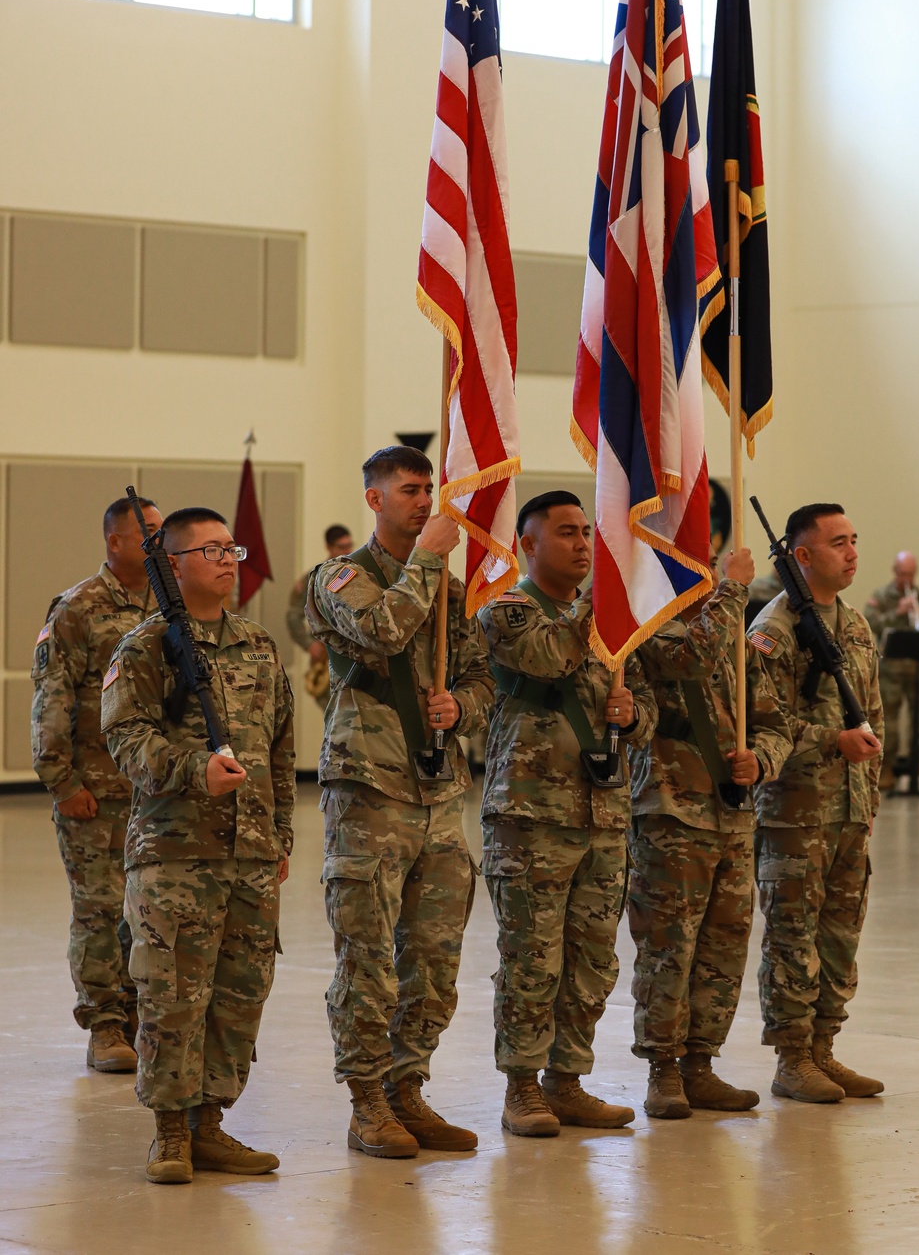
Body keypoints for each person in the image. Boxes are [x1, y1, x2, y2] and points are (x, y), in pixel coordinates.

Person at [306, 446, 492, 1160]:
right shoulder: (341, 576)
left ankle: (408, 1087)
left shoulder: (448, 589)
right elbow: (380, 629)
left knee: (435, 959)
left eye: (429, 491)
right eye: (410, 491)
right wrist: (429, 562)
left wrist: (461, 706)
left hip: (440, 792)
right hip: (371, 788)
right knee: (368, 959)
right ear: (374, 500)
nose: (425, 503)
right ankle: (366, 1102)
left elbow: (483, 680)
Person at [102, 507, 294, 1185]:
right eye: (210, 549)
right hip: (175, 852)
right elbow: (126, 738)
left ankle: (210, 1125)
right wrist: (193, 770)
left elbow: (280, 748)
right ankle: (169, 1134)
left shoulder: (259, 645)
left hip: (250, 852)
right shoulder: (144, 647)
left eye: (231, 547)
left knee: (240, 994)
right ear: (172, 565)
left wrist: (282, 835)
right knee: (173, 996)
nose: (227, 558)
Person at [477, 491, 658, 1139]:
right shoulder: (507, 612)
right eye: (567, 533)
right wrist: (603, 596)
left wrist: (631, 715)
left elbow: (646, 716)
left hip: (602, 814)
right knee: (532, 957)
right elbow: (551, 657)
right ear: (528, 545)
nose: (583, 544)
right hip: (531, 816)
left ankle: (567, 1080)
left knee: (591, 960)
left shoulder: (611, 626)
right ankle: (522, 1087)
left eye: (589, 533)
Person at [631, 547, 792, 1119]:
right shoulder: (651, 629)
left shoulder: (738, 644)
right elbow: (690, 662)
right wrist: (731, 593)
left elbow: (775, 720)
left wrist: (763, 760)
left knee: (724, 946)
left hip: (733, 812)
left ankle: (700, 1063)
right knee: (669, 947)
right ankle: (663, 1069)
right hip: (672, 810)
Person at [749, 503, 884, 1104]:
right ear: (801, 556)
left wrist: (869, 792)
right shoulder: (773, 632)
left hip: (850, 809)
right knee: (792, 935)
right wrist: (834, 742)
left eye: (854, 540)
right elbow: (763, 727)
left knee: (840, 934)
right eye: (837, 543)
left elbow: (872, 715)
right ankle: (793, 1057)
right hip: (796, 813)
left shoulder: (854, 624)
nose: (851, 552)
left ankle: (824, 1047)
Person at [30, 494, 162, 1073]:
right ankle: (105, 1023)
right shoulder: (78, 608)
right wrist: (61, 781)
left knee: (148, 910)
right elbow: (51, 699)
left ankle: (138, 1015)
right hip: (95, 791)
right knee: (99, 910)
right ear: (115, 542)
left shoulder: (171, 604)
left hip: (155, 792)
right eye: (148, 533)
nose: (160, 542)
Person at [864, 552, 919, 788]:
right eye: (903, 574)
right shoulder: (882, 596)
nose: (907, 579)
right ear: (895, 571)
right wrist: (897, 612)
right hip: (891, 671)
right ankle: (887, 769)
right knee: (888, 722)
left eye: (911, 575)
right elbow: (870, 622)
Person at [287, 524, 354, 708]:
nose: (348, 551)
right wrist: (310, 645)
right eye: (342, 547)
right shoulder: (312, 578)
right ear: (329, 547)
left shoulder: (357, 575)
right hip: (326, 657)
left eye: (350, 545)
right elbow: (293, 616)